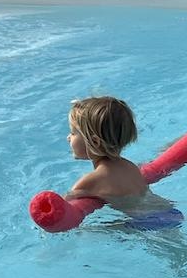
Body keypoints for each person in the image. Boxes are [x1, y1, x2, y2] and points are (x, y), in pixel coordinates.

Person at [67, 95, 178, 224]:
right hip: (169, 211)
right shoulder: (130, 166)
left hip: (150, 222)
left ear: (95, 142)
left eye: (73, 133)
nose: (68, 137)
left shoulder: (93, 180)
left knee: (95, 229)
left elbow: (66, 207)